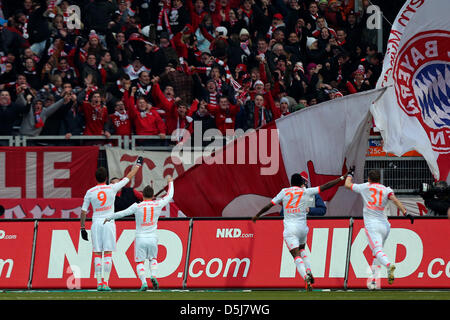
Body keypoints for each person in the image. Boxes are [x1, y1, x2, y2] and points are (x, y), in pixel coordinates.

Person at [252, 171, 351, 291]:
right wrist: (342, 177)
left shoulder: (284, 192)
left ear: (291, 182)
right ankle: (308, 271)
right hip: (303, 229)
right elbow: (326, 186)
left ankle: (305, 277)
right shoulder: (306, 191)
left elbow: (270, 205)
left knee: (296, 255)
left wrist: (257, 215)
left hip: (290, 229)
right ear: (301, 183)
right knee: (302, 249)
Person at [80, 157, 144, 291]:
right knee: (108, 253)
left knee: (97, 253)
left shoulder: (90, 192)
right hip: (109, 222)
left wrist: (82, 228)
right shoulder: (112, 188)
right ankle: (106, 283)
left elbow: (84, 211)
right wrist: (138, 164)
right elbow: (129, 176)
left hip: (96, 223)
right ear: (106, 178)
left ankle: (98, 284)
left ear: (96, 178)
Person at [344, 168, 414, 289]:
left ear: (369, 179)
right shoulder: (386, 189)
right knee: (376, 253)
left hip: (372, 225)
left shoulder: (365, 187)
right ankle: (373, 282)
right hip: (385, 226)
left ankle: (389, 265)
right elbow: (395, 200)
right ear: (379, 179)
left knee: (377, 251)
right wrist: (406, 213)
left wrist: (350, 175)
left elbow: (347, 184)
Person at [103, 176, 174, 291]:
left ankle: (144, 283)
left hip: (140, 238)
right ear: (152, 195)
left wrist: (109, 217)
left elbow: (122, 213)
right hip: (153, 237)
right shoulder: (158, 204)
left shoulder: (137, 206)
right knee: (153, 259)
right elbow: (169, 195)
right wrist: (170, 183)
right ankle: (154, 276)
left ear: (143, 195)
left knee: (140, 262)